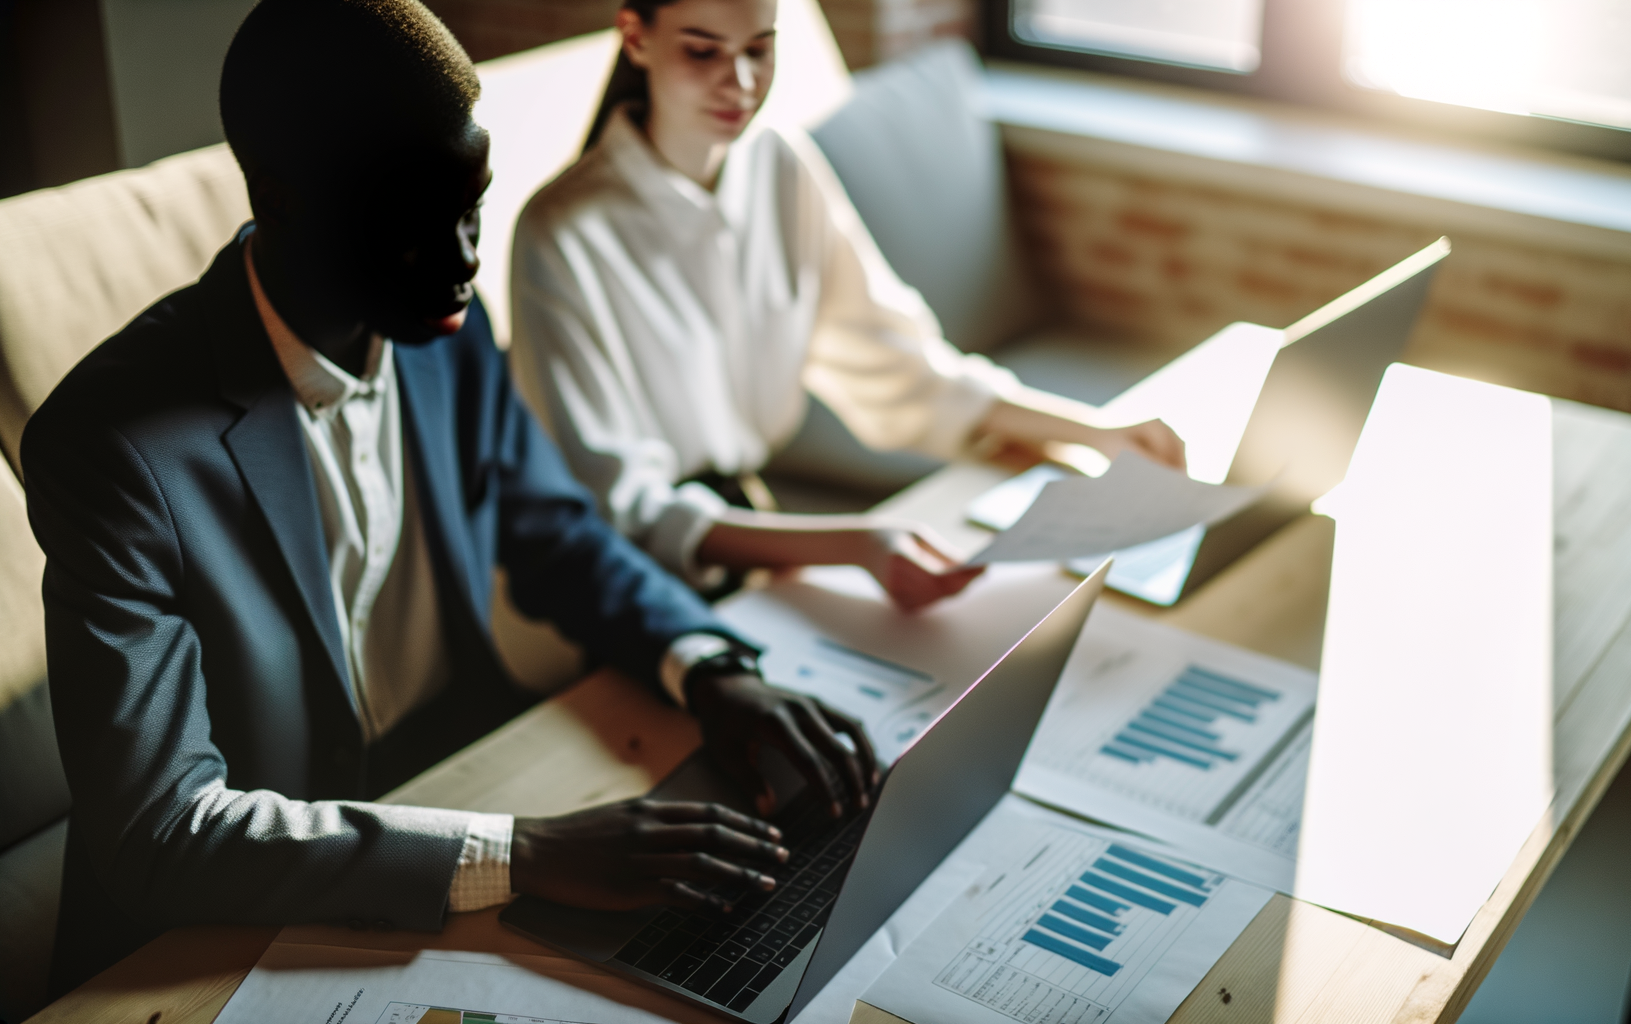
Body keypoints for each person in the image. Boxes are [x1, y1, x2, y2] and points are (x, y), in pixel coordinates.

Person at [23, 0, 876, 995]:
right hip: (209, 938)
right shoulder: (113, 444)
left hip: (451, 792)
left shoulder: (445, 326)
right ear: (285, 199)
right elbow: (163, 829)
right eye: (414, 221)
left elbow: (555, 530)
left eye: (472, 203)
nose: (466, 254)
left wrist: (708, 670)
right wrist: (518, 853)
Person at [508, 0, 1186, 612]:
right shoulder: (562, 232)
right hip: (615, 595)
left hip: (754, 553)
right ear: (636, 38)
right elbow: (615, 507)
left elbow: (897, 365)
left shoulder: (779, 165)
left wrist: (1094, 431)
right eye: (702, 51)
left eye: (759, 49)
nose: (741, 84)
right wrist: (856, 544)